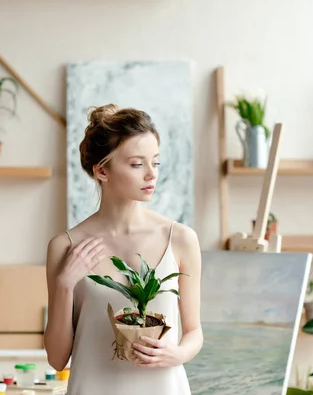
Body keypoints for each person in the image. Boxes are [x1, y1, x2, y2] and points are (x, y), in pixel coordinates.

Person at [44, 104, 203, 395]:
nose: (150, 174)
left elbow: (194, 332)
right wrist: (65, 284)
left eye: (155, 162)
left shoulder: (180, 239)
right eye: (136, 164)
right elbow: (57, 359)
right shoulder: (65, 247)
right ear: (102, 170)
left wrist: (177, 354)